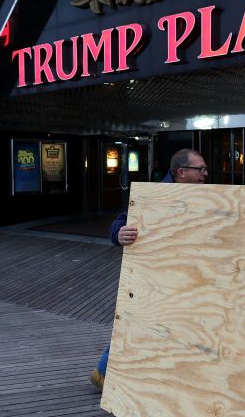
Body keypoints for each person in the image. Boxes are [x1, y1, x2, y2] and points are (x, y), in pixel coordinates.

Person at [91, 149, 208, 390]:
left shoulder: (204, 195)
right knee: (136, 321)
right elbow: (121, 221)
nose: (205, 174)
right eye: (201, 169)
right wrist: (118, 233)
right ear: (182, 172)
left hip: (185, 275)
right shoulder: (154, 196)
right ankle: (102, 373)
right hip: (153, 275)